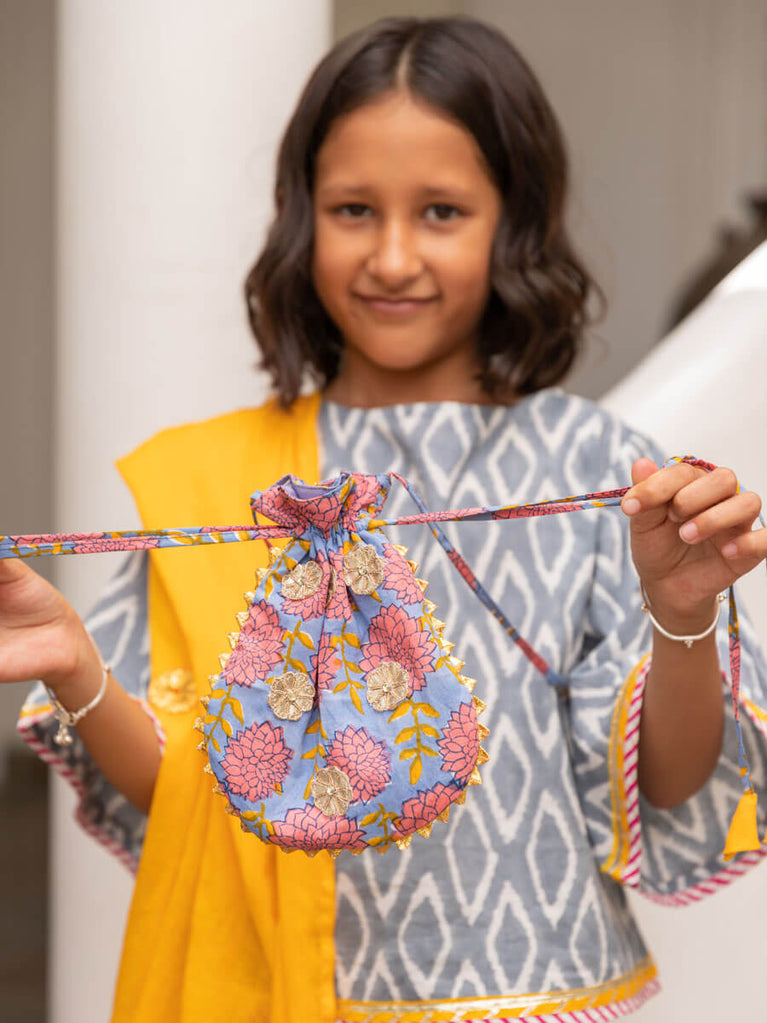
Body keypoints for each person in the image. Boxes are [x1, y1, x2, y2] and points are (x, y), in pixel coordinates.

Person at [5, 15, 767, 1023]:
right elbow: (197, 795)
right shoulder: (234, 484)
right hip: (295, 998)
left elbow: (664, 783)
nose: (393, 256)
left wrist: (680, 614)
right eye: (354, 210)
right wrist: (76, 664)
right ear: (300, 219)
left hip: (541, 998)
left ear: (513, 221)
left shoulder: (597, 465)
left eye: (441, 211)